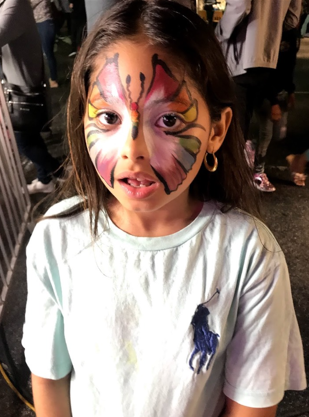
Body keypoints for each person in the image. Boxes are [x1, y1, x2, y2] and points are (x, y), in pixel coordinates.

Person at [22, 1, 306, 416]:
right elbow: (50, 384)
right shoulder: (55, 239)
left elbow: (251, 405)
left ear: (217, 131)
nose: (132, 151)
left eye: (170, 121)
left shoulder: (249, 255)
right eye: (108, 117)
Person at [215, 0, 302, 144]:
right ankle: (246, 160)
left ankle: (236, 163)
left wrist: (218, 34)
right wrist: (270, 28)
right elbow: (292, 19)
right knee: (246, 122)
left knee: (233, 128)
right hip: (268, 57)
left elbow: (240, 6)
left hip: (239, 56)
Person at [0, 0, 63, 194]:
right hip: (16, 85)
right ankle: (46, 180)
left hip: (23, 86)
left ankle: (60, 170)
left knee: (24, 141)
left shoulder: (15, 3)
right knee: (31, 135)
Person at [252, 27, 300, 192]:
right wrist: (273, 102)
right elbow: (265, 71)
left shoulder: (292, 33)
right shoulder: (271, 30)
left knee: (280, 134)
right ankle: (258, 173)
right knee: (267, 134)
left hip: (282, 92)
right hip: (266, 94)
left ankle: (251, 147)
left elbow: (290, 65)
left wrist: (291, 90)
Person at [30, 0, 59, 88]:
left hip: (44, 23)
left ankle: (54, 80)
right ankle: (45, 78)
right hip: (39, 24)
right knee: (40, 54)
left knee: (48, 53)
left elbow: (29, 4)